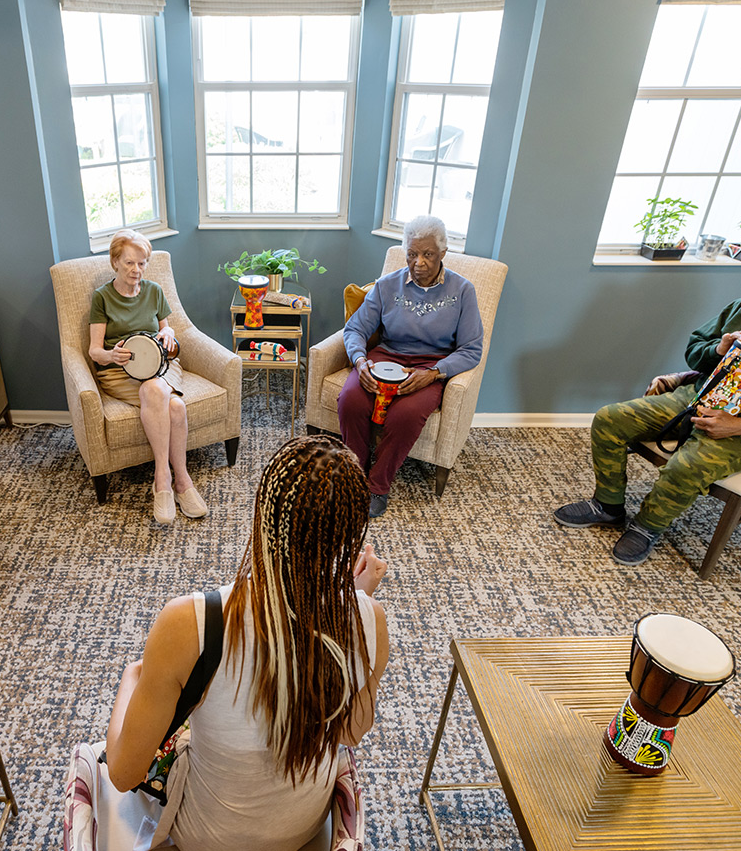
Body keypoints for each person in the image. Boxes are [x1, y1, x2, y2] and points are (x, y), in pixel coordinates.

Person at [104, 435, 390, 851]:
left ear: (262, 516)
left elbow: (123, 774)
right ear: (350, 535)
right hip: (303, 828)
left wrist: (132, 678)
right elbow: (350, 731)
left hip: (209, 837)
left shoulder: (190, 623)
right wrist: (357, 603)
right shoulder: (371, 620)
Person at [553, 237, 741, 566]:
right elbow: (695, 350)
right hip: (698, 396)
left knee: (689, 465)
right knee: (609, 418)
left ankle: (647, 527)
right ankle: (608, 506)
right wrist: (719, 348)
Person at [339, 215, 484, 518]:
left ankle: (377, 486)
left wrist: (433, 373)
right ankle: (355, 472)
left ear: (443, 252)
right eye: (412, 253)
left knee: (404, 416)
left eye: (428, 254)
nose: (418, 262)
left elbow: (472, 349)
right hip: (384, 357)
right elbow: (355, 330)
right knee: (350, 400)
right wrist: (360, 360)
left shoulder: (463, 291)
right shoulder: (387, 285)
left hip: (429, 367)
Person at [89, 229, 207, 525]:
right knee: (175, 406)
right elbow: (94, 352)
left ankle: (168, 480)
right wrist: (110, 355)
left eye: (142, 263)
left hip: (160, 365)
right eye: (129, 262)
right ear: (115, 261)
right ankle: (174, 480)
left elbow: (167, 330)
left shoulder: (154, 290)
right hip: (120, 371)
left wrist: (167, 332)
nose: (136, 270)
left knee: (160, 393)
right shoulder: (102, 297)